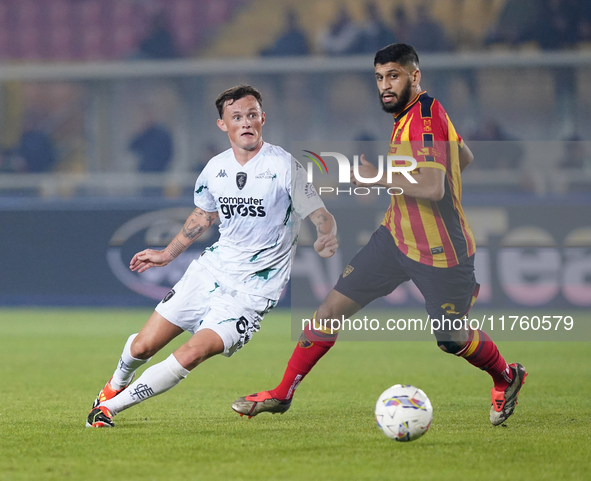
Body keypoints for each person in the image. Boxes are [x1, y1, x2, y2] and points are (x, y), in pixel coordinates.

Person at [232, 44, 527, 426]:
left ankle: (507, 376)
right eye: (379, 77)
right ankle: (282, 393)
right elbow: (463, 157)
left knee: (452, 339)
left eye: (394, 76)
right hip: (395, 238)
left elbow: (434, 187)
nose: (385, 85)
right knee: (329, 312)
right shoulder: (412, 114)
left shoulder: (424, 115)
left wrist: (377, 176)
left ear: (414, 76)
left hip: (441, 252)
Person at [87, 85, 338, 428]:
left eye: (252, 115)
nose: (246, 122)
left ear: (262, 118)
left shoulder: (284, 166)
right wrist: (167, 254)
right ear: (223, 125)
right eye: (237, 117)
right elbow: (203, 216)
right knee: (143, 346)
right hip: (210, 271)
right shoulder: (214, 170)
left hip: (252, 291)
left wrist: (326, 234)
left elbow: (320, 213)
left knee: (194, 351)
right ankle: (114, 385)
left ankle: (108, 411)